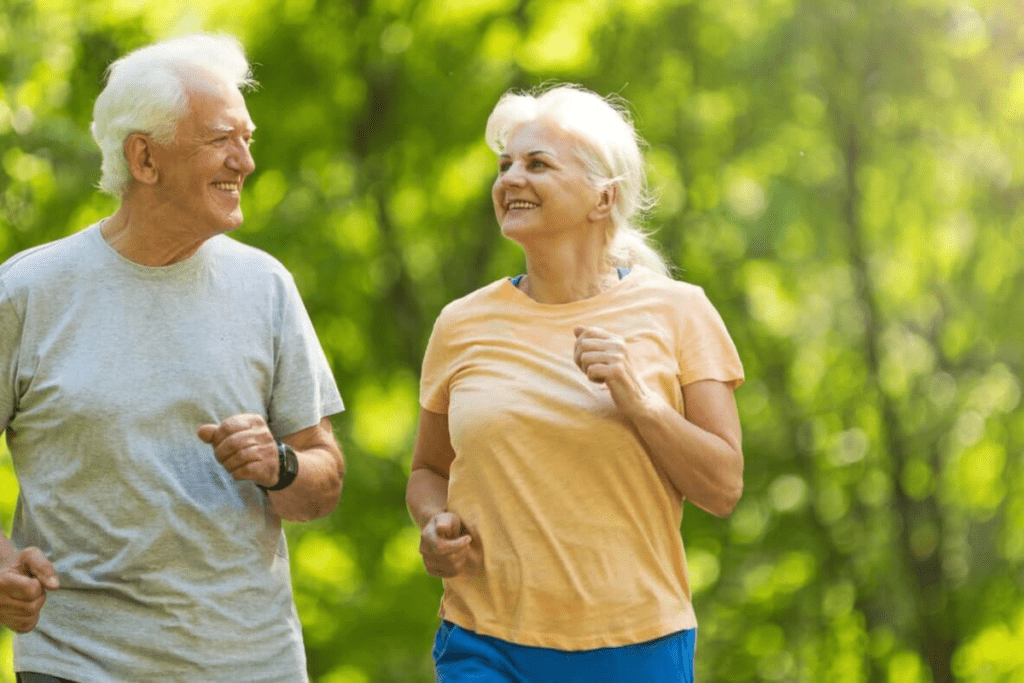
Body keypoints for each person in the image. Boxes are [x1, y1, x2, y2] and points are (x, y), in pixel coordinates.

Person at [0, 34, 345, 682]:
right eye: (221, 140)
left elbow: (320, 485)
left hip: (254, 664)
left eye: (247, 138)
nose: (244, 161)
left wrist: (281, 464)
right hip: (79, 663)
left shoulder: (266, 287)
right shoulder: (26, 293)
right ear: (145, 158)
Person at [406, 84, 745, 682]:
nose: (511, 178)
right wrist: (434, 525)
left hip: (637, 645)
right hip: (487, 642)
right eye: (505, 164)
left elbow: (722, 487)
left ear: (602, 198)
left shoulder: (679, 312)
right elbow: (428, 472)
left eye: (537, 164)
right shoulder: (461, 325)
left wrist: (639, 400)